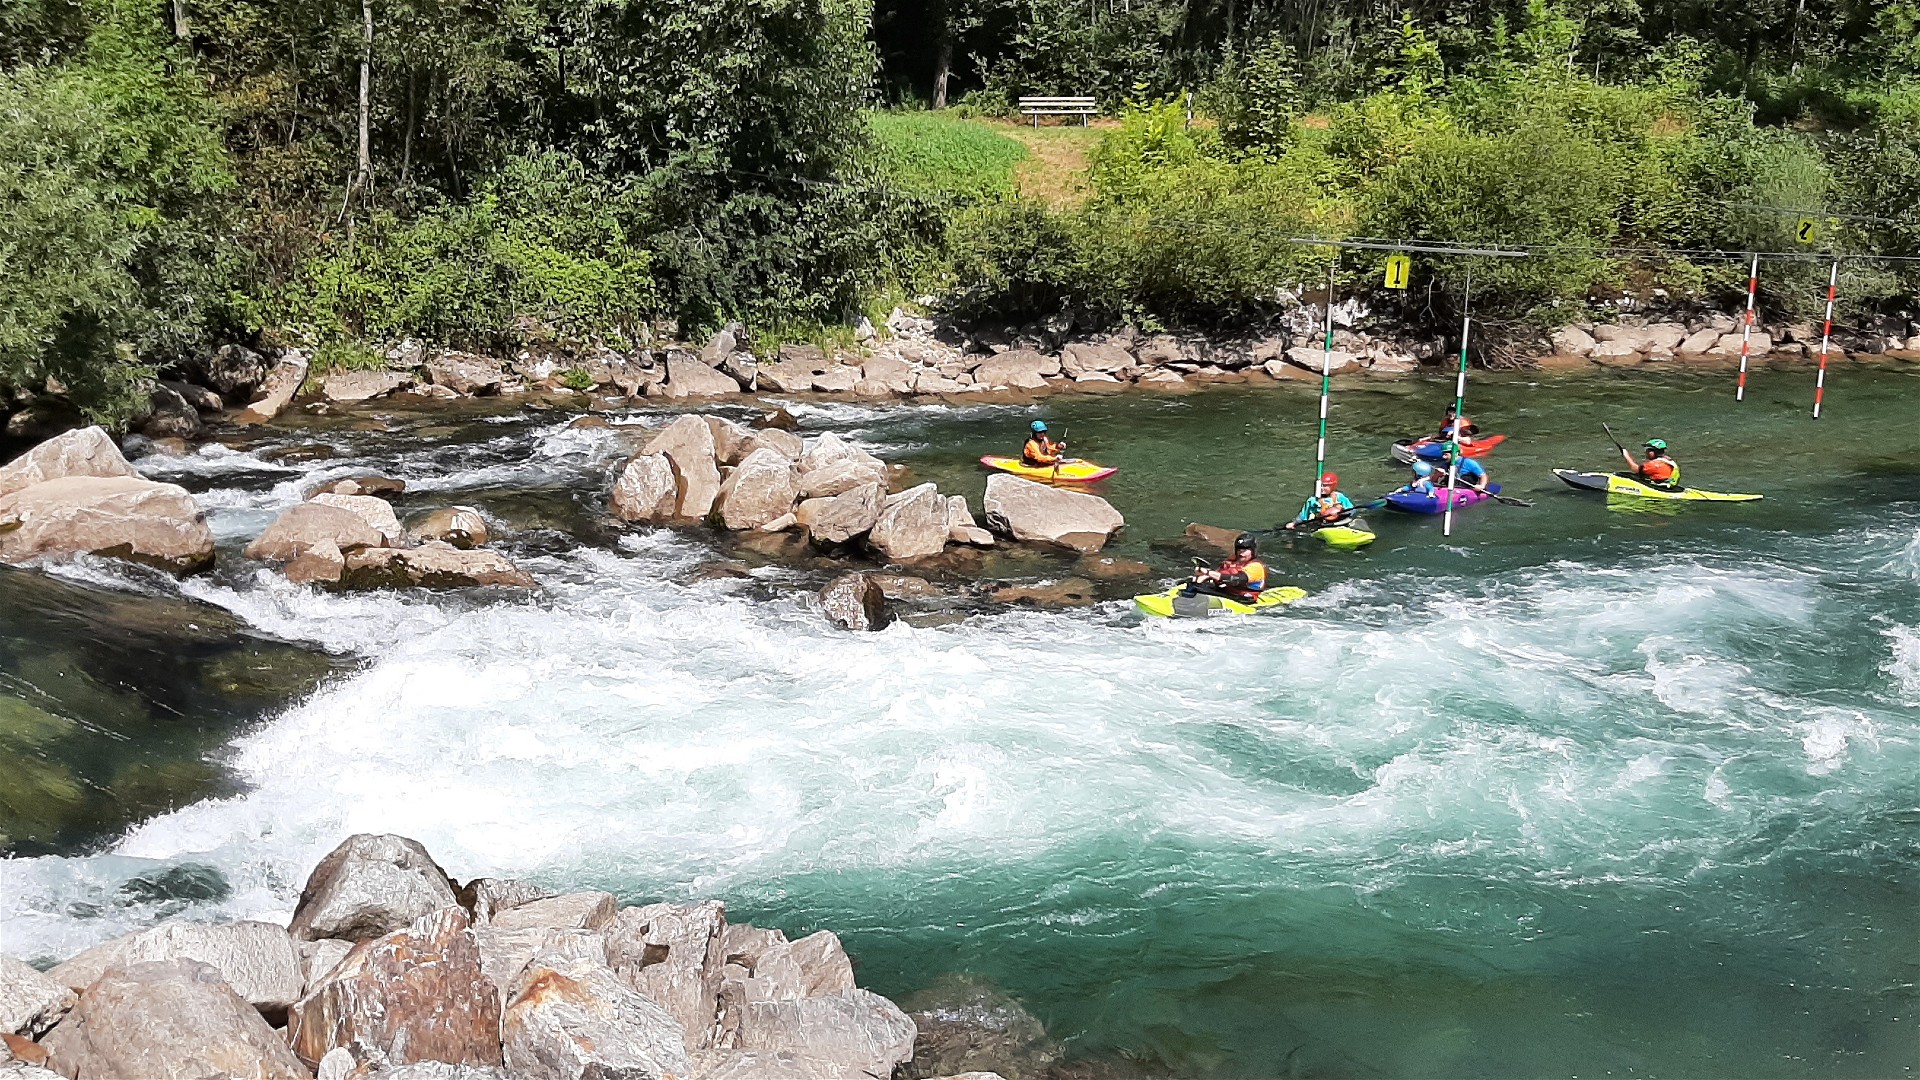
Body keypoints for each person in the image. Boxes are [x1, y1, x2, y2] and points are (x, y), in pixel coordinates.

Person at [1187, 532, 1268, 600]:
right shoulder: (1232, 562)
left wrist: (1208, 572)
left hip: (1244, 598)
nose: (1241, 553)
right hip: (1228, 593)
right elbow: (1220, 573)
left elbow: (1235, 579)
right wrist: (1203, 577)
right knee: (1193, 585)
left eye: (1245, 549)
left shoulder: (1256, 567)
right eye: (1239, 549)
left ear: (1253, 551)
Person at [1285, 472, 1355, 530]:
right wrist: (1294, 523)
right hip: (1320, 524)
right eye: (1321, 486)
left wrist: (1340, 511)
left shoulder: (1340, 497)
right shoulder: (1312, 500)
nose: (1322, 488)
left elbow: (1352, 510)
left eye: (1325, 486)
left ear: (1333, 486)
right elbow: (1303, 516)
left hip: (1338, 522)